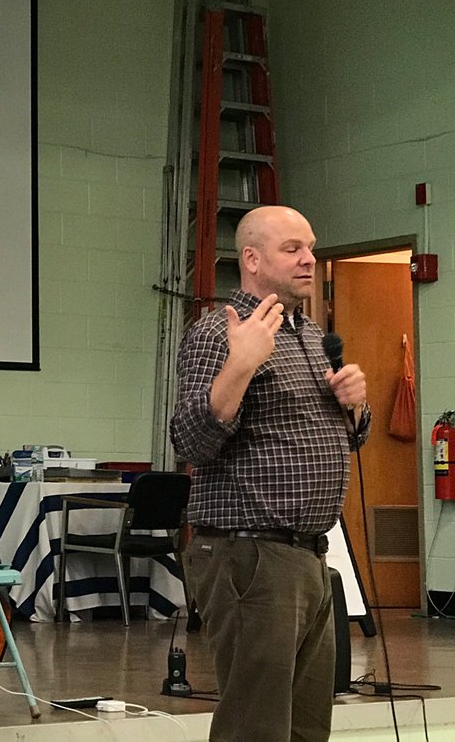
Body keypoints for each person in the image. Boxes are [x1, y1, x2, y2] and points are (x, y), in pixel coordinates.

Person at [170, 205, 369, 742]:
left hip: (308, 554)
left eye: (309, 246)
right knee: (254, 725)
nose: (309, 259)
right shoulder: (219, 332)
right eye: (292, 249)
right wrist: (241, 365)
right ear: (252, 259)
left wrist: (355, 406)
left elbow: (334, 436)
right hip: (249, 556)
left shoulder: (308, 335)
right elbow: (191, 442)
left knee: (306, 723)